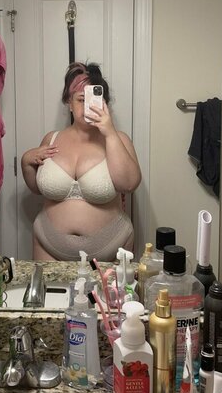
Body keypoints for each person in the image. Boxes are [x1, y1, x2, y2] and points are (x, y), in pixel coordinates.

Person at [21, 62, 141, 261]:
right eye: (81, 100)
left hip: (110, 246)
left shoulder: (118, 140)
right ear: (69, 103)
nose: (87, 106)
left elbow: (128, 184)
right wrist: (26, 162)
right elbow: (37, 188)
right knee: (46, 284)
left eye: (93, 100)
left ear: (104, 103)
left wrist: (109, 133)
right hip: (48, 245)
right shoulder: (51, 139)